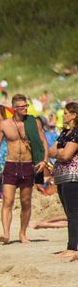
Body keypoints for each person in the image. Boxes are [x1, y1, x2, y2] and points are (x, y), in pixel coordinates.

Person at [0, 93, 46, 245]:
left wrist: (44, 160)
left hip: (28, 165)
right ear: (14, 108)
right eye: (21, 107)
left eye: (26, 106)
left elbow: (43, 141)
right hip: (11, 164)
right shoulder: (5, 125)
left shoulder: (33, 123)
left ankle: (22, 233)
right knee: (8, 200)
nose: (25, 109)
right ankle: (6, 233)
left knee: (26, 201)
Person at [49, 102, 78, 260]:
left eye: (66, 113)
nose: (63, 115)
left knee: (73, 212)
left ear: (74, 115)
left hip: (73, 175)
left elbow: (66, 155)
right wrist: (60, 152)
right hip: (61, 176)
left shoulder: (76, 133)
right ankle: (74, 245)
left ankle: (72, 247)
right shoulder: (65, 133)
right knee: (69, 213)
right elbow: (51, 151)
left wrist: (59, 152)